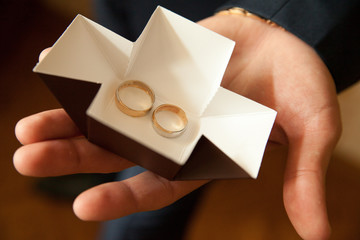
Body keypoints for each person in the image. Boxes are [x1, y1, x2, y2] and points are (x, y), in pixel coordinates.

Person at [13, 0, 359, 239]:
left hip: (214, 34)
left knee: (159, 178)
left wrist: (284, 19)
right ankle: (95, 170)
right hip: (131, 14)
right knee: (102, 114)